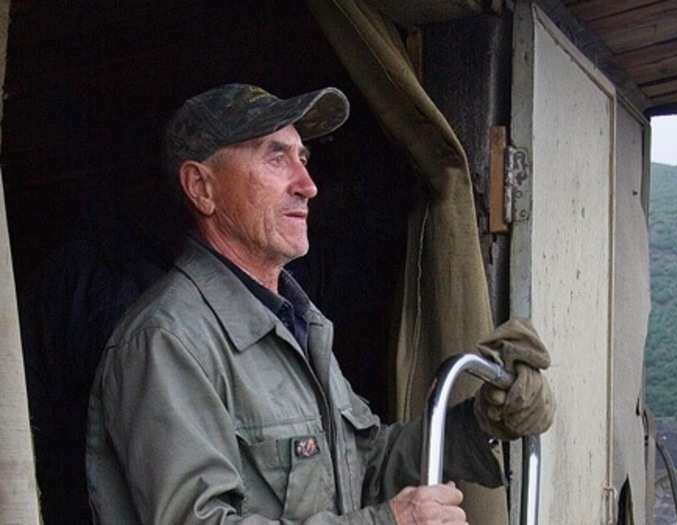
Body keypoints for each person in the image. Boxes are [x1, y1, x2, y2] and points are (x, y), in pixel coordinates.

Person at [85, 83, 554, 524]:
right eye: (276, 158)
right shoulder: (168, 339)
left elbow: (368, 463)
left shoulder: (297, 322)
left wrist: (483, 422)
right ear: (202, 188)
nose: (307, 184)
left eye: (303, 157)